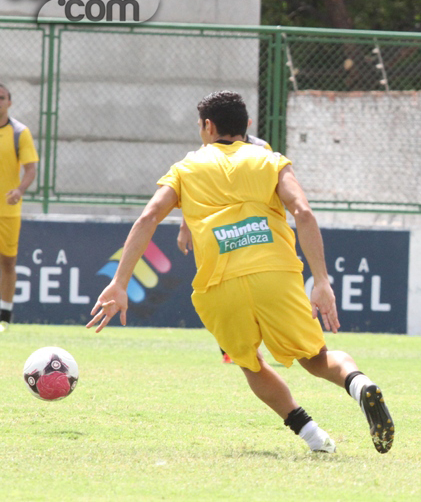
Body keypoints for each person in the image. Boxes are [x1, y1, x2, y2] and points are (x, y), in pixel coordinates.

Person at [87, 91, 395, 454]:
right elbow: (304, 214)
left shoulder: (186, 168)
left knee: (251, 363)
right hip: (275, 275)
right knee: (316, 359)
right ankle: (360, 386)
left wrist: (120, 282)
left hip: (220, 284)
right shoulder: (271, 160)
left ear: (207, 126)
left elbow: (149, 217)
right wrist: (322, 281)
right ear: (247, 125)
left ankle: (314, 438)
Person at [175, 128, 268, 364]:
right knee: (223, 288)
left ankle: (248, 343)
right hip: (220, 232)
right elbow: (194, 187)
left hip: (251, 230)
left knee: (254, 286)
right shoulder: (207, 151)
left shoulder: (261, 150)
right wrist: (185, 225)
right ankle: (230, 347)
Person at [0, 83, 39, 333]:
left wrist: (19, 190)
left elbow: (31, 168)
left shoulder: (19, 132)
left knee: (8, 263)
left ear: (9, 102)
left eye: (1, 97)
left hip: (8, 210)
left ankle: (4, 316)